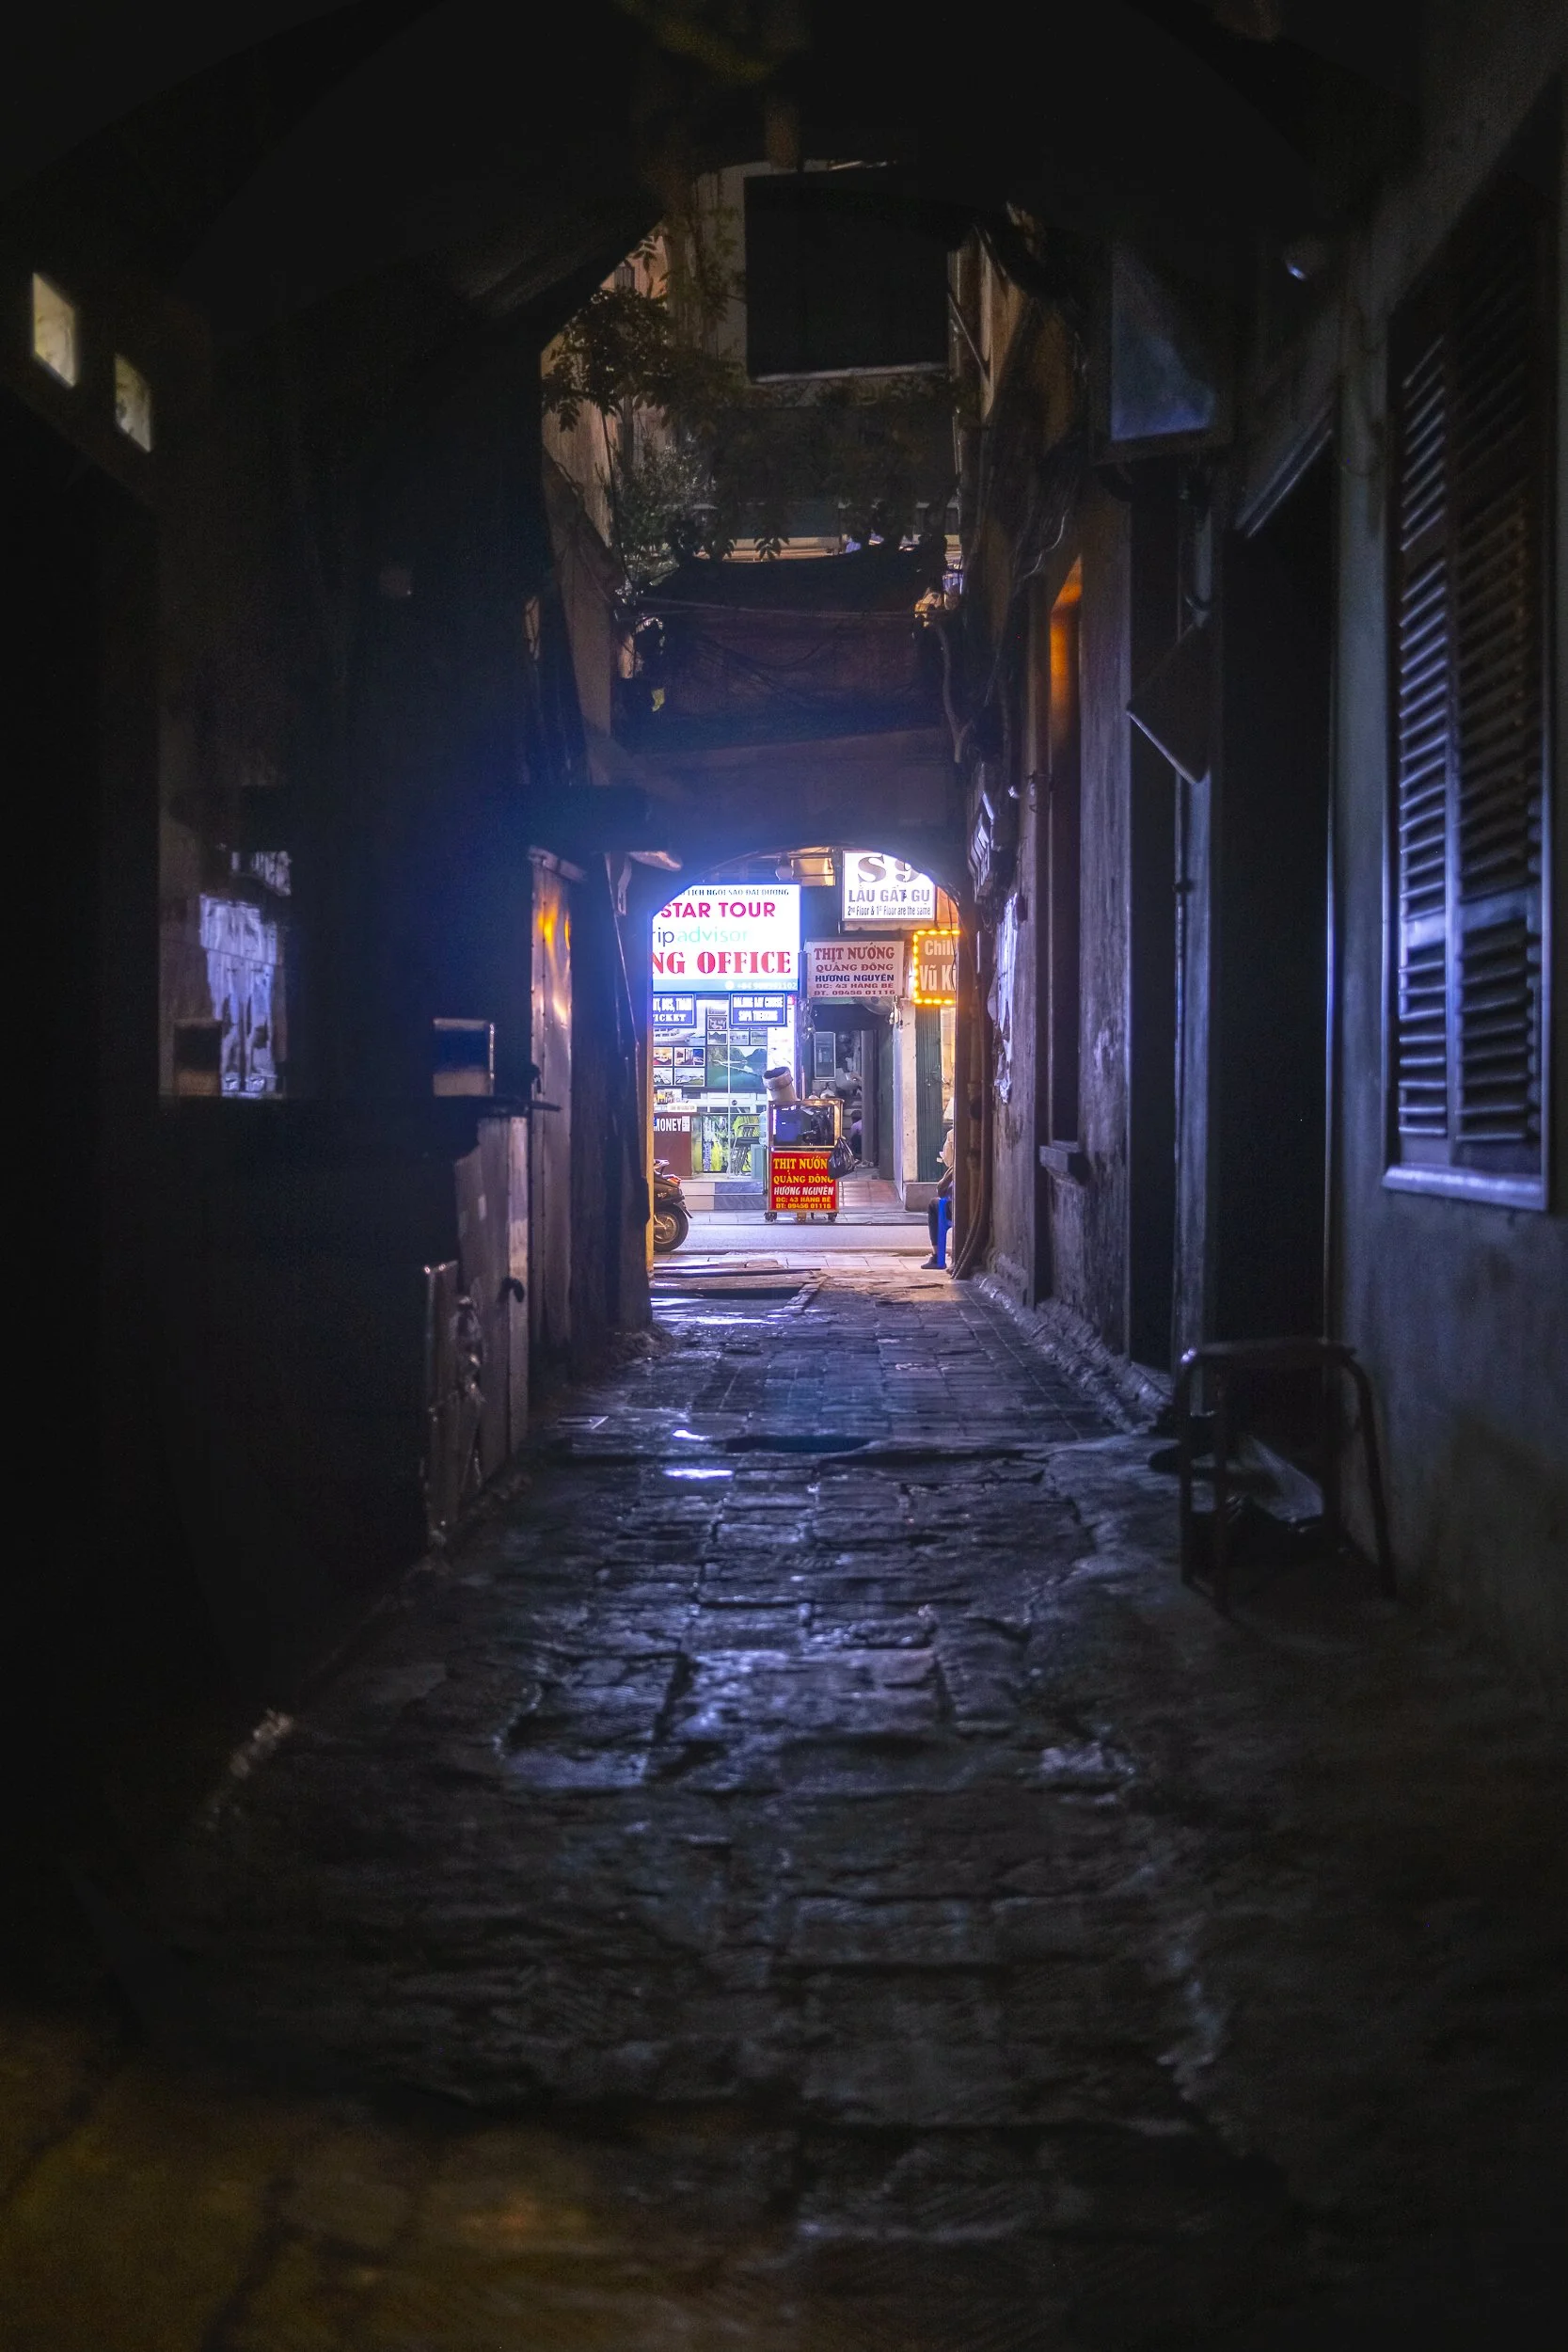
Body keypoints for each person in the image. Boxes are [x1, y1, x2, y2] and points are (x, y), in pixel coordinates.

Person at [923, 1119, 956, 1268]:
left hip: (955, 1209)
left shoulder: (956, 1167)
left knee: (934, 1204)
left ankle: (937, 1256)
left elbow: (941, 1189)